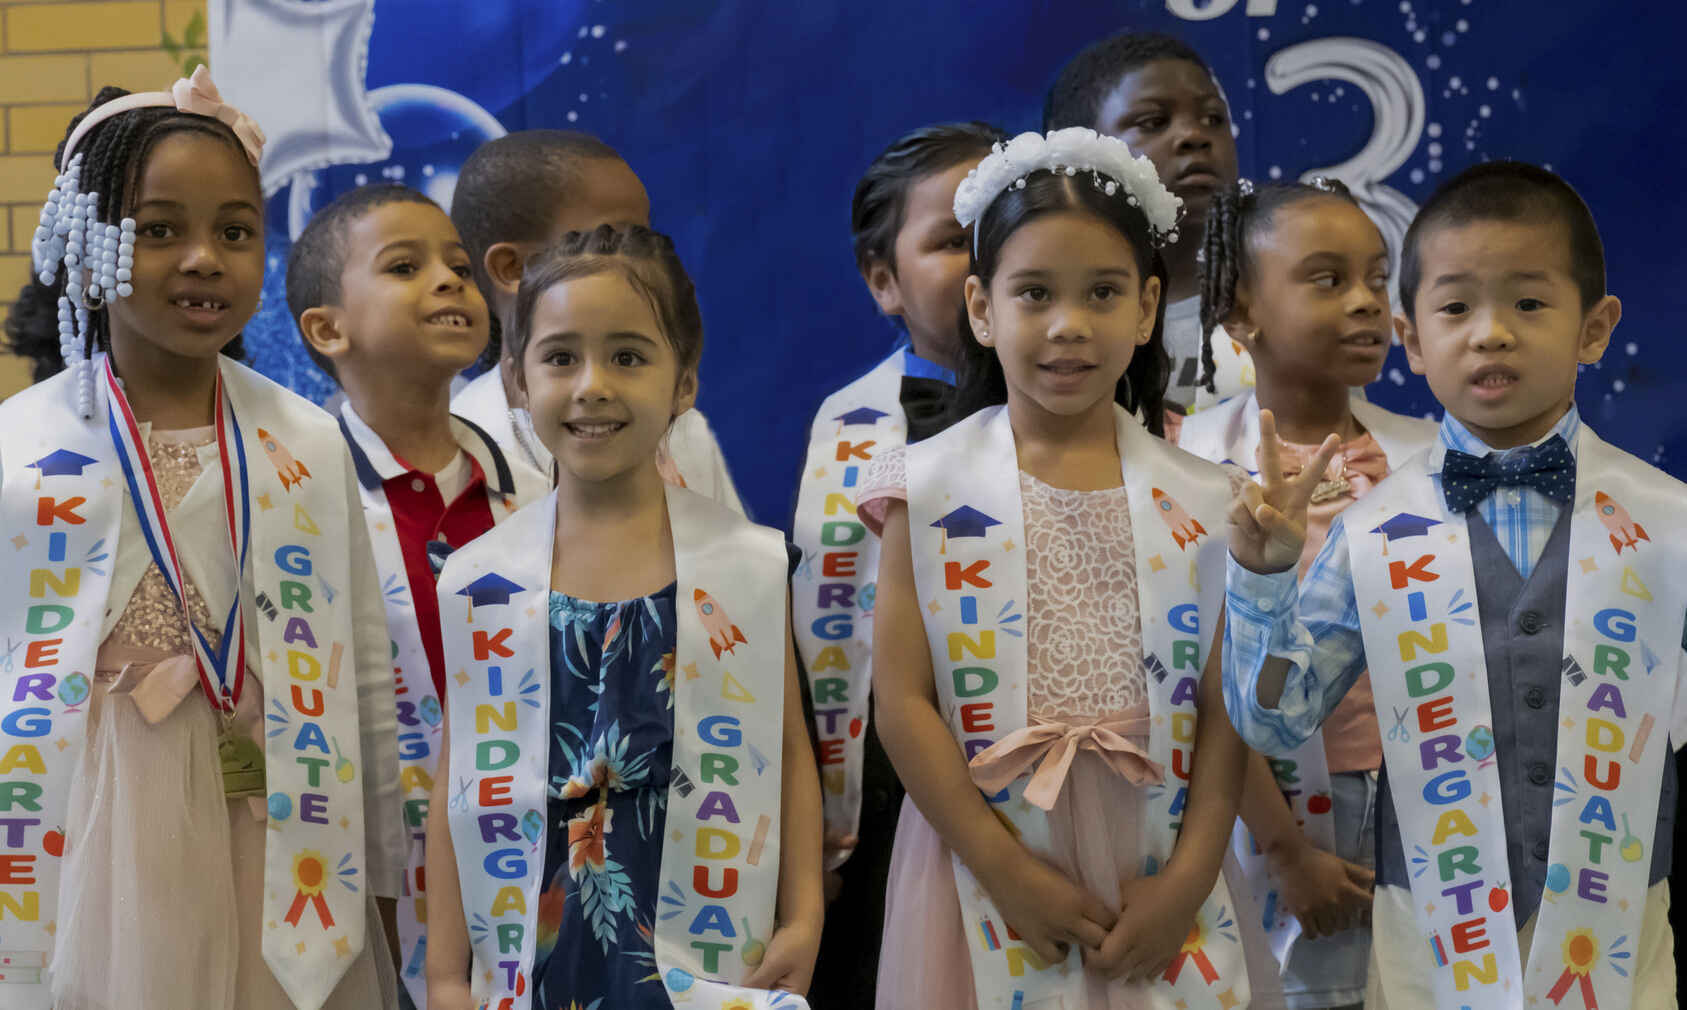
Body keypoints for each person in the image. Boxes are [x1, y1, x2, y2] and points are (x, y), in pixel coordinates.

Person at [0, 69, 404, 1009]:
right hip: (80, 821)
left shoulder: (302, 437)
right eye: (157, 229)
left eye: (234, 230)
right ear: (84, 242)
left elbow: (365, 676)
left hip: (273, 815)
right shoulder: (20, 440)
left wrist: (380, 868)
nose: (202, 258)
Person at [1223, 161, 1680, 1009]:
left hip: (1622, 943)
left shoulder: (1668, 519)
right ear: (1411, 338)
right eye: (1457, 307)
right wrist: (1262, 580)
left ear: (1595, 327)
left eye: (1529, 303)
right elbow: (1271, 719)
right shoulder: (1369, 531)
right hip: (1430, 946)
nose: (1491, 334)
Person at [866, 127, 1282, 1009]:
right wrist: (1005, 872)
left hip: (1160, 854)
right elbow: (902, 702)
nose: (1068, 325)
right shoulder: (926, 485)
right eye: (1034, 293)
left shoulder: (1209, 497)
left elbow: (1224, 711)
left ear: (1145, 307)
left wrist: (1187, 882)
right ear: (982, 308)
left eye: (1102, 292)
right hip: (983, 855)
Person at [423, 225, 823, 1009]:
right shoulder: (480, 579)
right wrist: (443, 972)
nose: (592, 384)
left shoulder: (744, 565)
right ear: (516, 378)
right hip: (535, 952)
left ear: (684, 383)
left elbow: (785, 749)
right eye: (561, 357)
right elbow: (455, 782)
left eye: (629, 357)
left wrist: (802, 916)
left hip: (703, 951)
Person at [286, 182, 550, 1008]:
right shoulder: (291, 497)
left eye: (460, 267)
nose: (448, 282)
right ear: (329, 330)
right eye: (405, 266)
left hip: (521, 846)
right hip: (362, 865)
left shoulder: (539, 487)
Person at [1177, 177, 1436, 1010]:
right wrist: (1285, 849)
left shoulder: (1430, 455)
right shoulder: (1185, 468)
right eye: (1327, 280)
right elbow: (1198, 677)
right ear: (1239, 310)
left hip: (1428, 796)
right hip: (1264, 812)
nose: (1364, 303)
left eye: (1374, 277)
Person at [796, 119, 1002, 1008]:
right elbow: (822, 638)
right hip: (888, 795)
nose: (981, 262)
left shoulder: (1107, 417)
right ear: (884, 280)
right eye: (952, 241)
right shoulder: (849, 429)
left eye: (1002, 229)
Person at [447, 131, 743, 511]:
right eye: (614, 239)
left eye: (644, 240)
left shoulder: (685, 436)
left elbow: (736, 561)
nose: (639, 261)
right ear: (512, 268)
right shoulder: (457, 458)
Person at [1045, 30, 1252, 416]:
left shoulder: (1280, 305)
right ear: (1077, 151)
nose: (1194, 136)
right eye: (1154, 121)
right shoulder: (1052, 324)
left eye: (1213, 118)